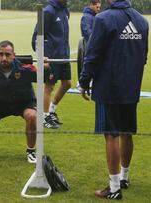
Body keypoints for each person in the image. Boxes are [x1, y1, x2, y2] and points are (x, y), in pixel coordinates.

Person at [79, 0, 148, 199]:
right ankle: (124, 177)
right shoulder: (142, 21)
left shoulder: (103, 19)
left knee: (111, 134)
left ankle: (114, 187)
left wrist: (84, 82)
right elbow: (144, 56)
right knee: (127, 132)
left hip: (108, 88)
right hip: (131, 88)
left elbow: (92, 55)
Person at [32, 0, 71, 129]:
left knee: (67, 83)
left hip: (64, 56)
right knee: (49, 87)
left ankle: (51, 111)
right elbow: (37, 35)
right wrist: (41, 55)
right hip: (51, 58)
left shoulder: (64, 10)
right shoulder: (48, 11)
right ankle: (43, 117)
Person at [77, 0, 101, 88]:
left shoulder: (94, 16)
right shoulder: (87, 17)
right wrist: (97, 39)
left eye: (99, 7)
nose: (98, 9)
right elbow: (87, 32)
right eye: (96, 7)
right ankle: (82, 82)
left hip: (93, 44)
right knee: (87, 63)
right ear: (91, 5)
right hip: (89, 45)